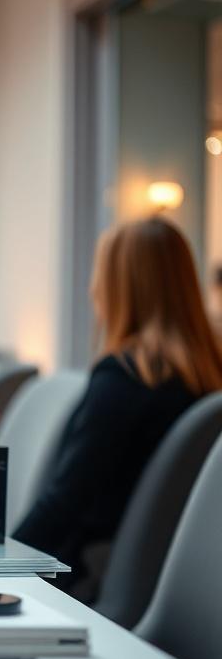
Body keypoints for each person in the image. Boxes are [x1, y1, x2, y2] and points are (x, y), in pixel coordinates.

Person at [14, 217, 222, 598]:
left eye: (100, 274)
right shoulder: (206, 378)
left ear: (118, 287)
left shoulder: (126, 379)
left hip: (85, 582)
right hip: (177, 586)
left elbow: (67, 501)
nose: (94, 287)